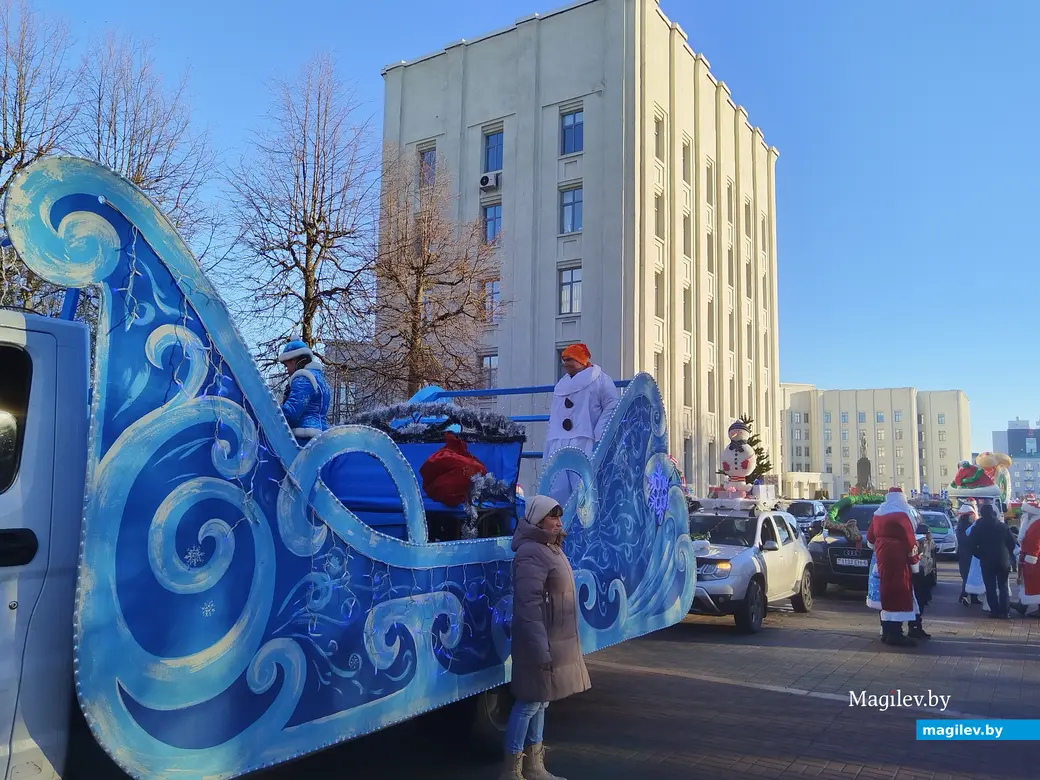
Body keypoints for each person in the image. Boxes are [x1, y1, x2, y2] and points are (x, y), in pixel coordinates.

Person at [501, 495, 591, 780]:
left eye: (559, 517)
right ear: (538, 520)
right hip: (539, 641)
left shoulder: (551, 547)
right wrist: (540, 649)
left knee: (542, 700)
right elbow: (528, 606)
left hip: (555, 640)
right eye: (553, 517)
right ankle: (512, 770)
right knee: (529, 702)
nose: (559, 523)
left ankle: (535, 767)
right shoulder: (531, 552)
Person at [543, 344, 618, 505]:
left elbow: (611, 406)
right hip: (558, 442)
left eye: (569, 359)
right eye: (564, 360)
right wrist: (549, 441)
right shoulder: (561, 385)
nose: (565, 364)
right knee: (557, 489)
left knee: (583, 489)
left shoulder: (600, 380)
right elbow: (554, 416)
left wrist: (600, 433)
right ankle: (559, 519)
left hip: (585, 441)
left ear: (581, 360)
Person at [866, 488, 922, 646]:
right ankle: (896, 633)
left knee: (886, 590)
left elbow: (870, 539)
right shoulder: (902, 516)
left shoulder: (877, 514)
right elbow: (910, 542)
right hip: (898, 558)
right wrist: (915, 562)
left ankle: (886, 631)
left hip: (881, 557)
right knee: (899, 591)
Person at [967, 502, 1017, 619]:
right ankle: (1005, 611)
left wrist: (980, 555)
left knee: (990, 587)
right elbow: (1012, 542)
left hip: (987, 560)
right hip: (1002, 560)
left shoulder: (978, 527)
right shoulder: (1003, 526)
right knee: (1003, 586)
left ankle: (994, 611)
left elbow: (970, 545)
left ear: (982, 514)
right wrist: (1008, 554)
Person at [277, 340, 331, 443]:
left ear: (293, 360)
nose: (287, 370)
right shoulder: (321, 379)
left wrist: (272, 414)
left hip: (303, 438)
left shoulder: (303, 377)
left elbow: (291, 412)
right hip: (319, 436)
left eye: (286, 365)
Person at [956, 501, 983, 606]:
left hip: (963, 552)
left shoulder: (959, 526)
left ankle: (966, 595)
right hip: (972, 553)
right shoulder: (971, 525)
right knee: (972, 574)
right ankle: (967, 596)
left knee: (966, 575)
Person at [1017, 499, 1040, 616]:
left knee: (1035, 583)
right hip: (1030, 557)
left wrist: (1030, 558)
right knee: (1031, 583)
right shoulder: (1032, 522)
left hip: (1034, 559)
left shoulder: (1036, 524)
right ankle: (1022, 605)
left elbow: (1034, 542)